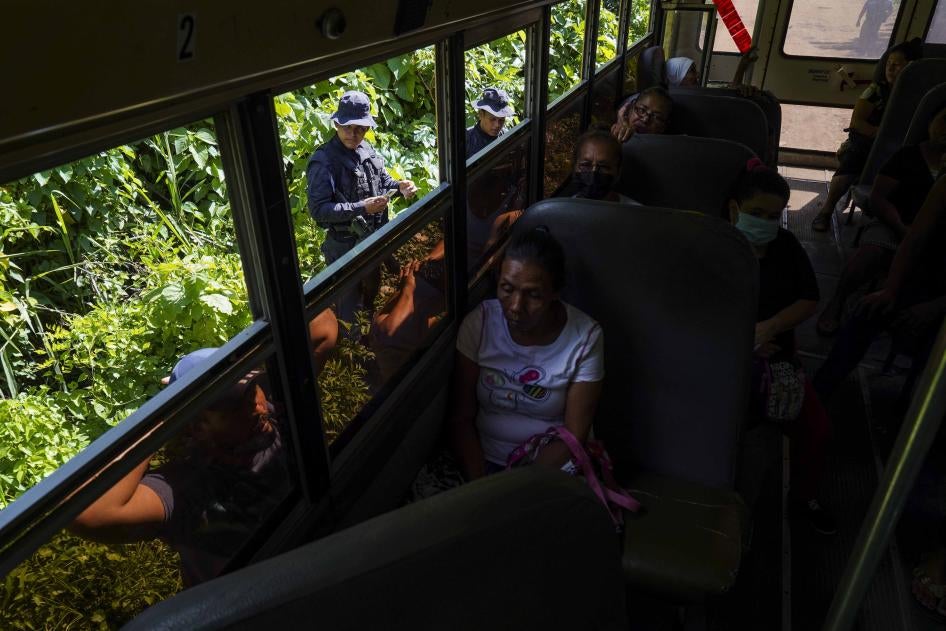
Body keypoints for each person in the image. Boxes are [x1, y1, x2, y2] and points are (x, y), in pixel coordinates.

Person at [71, 349, 289, 586]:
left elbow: (324, 333)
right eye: (236, 407)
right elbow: (93, 514)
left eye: (251, 391)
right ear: (196, 426)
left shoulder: (269, 416)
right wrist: (160, 417)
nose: (257, 407)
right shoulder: (190, 487)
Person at [729, 159, 836, 535]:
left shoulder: (785, 246)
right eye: (756, 214)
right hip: (725, 359)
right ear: (734, 209)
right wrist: (742, 339)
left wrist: (769, 327)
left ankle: (803, 495)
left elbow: (809, 298)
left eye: (774, 216)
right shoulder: (717, 247)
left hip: (777, 360)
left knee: (816, 429)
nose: (765, 223)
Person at [447, 227, 604, 479]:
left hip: (550, 468)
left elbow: (574, 435)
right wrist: (480, 485)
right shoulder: (479, 324)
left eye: (533, 295)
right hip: (484, 462)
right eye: (507, 289)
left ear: (555, 292)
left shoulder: (585, 337)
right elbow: (461, 418)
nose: (516, 307)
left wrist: (516, 487)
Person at [813, 175, 946, 402]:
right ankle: (816, 393)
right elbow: (913, 241)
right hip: (927, 280)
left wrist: (935, 308)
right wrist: (891, 289)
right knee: (867, 310)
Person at [816, 105, 946, 336]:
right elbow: (879, 198)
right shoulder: (908, 156)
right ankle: (837, 302)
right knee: (868, 255)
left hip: (935, 239)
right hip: (895, 224)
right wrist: (899, 226)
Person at [306, 90, 419, 325]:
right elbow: (319, 211)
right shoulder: (324, 161)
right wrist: (361, 208)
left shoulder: (366, 149)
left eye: (360, 128)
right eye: (347, 127)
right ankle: (349, 347)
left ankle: (367, 329)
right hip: (344, 247)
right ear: (336, 123)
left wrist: (400, 186)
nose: (353, 133)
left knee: (371, 291)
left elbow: (383, 182)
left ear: (367, 129)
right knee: (348, 309)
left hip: (372, 241)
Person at [811, 38, 923, 232]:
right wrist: (881, 134)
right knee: (851, 164)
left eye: (897, 65)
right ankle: (826, 211)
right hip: (869, 144)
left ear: (911, 68)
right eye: (888, 64)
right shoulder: (876, 90)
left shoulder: (922, 94)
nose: (890, 68)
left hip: (904, 147)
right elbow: (857, 122)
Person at [559, 128, 638, 203]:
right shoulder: (560, 212)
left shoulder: (636, 214)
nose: (593, 173)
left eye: (604, 166)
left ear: (618, 171)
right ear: (574, 167)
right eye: (586, 165)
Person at [466, 87, 516, 158]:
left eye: (501, 120)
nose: (497, 125)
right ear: (481, 114)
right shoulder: (466, 139)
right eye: (492, 119)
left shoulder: (507, 137)